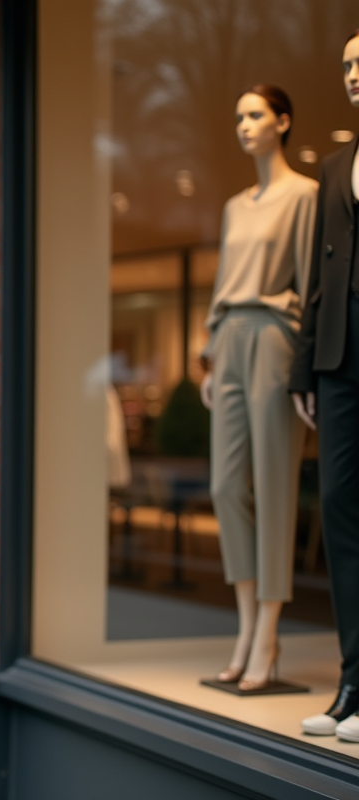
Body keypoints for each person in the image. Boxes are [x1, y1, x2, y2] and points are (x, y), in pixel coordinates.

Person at [198, 85, 314, 693]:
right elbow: (221, 283)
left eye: (255, 115)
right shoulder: (235, 205)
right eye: (238, 115)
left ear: (282, 122)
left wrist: (306, 367)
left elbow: (310, 282)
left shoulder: (306, 196)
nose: (243, 125)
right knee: (225, 485)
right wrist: (211, 358)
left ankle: (267, 632)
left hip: (276, 338)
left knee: (273, 486)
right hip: (231, 340)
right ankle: (245, 625)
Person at [290, 29, 359, 741]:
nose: (352, 75)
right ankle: (351, 686)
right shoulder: (336, 167)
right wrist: (304, 368)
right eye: (345, 65)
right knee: (341, 514)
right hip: (340, 358)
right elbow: (316, 280)